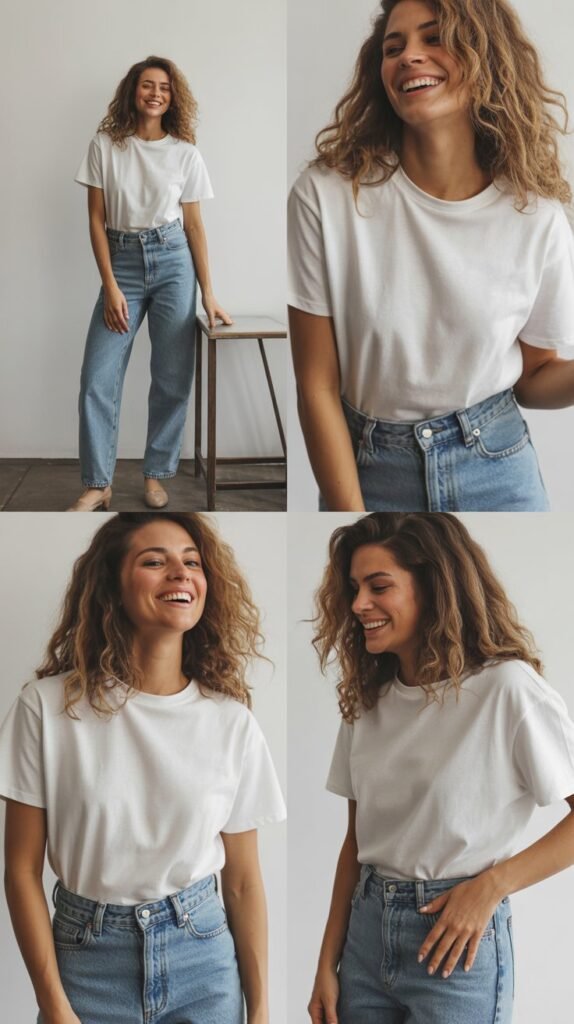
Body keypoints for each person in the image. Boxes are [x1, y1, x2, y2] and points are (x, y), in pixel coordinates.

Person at [288, 0, 574, 512]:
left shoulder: (538, 217)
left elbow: (535, 378)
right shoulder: (327, 196)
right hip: (371, 468)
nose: (409, 56)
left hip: (498, 465)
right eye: (393, 48)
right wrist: (349, 517)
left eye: (434, 37)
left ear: (487, 55)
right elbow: (317, 386)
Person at [0, 512, 285, 1024]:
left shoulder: (230, 722)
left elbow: (242, 881)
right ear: (113, 584)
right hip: (87, 965)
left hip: (203, 961)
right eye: (154, 561)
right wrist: (53, 1004)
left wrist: (261, 1011)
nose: (180, 573)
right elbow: (21, 870)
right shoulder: (46, 708)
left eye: (191, 562)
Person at [308, 512, 574, 1023]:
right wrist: (326, 963)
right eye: (354, 588)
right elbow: (354, 844)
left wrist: (493, 885)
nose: (359, 604)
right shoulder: (369, 699)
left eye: (379, 586)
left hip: (455, 945)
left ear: (434, 586)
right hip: (364, 941)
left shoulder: (507, 689)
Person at [70, 57, 232, 512]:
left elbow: (195, 228)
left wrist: (209, 292)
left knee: (172, 376)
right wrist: (111, 285)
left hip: (173, 261)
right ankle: (98, 483)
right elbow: (96, 220)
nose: (155, 93)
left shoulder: (185, 153)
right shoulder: (105, 146)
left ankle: (155, 475)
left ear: (172, 96)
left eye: (163, 86)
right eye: (147, 85)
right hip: (120, 264)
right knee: (96, 378)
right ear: (132, 91)